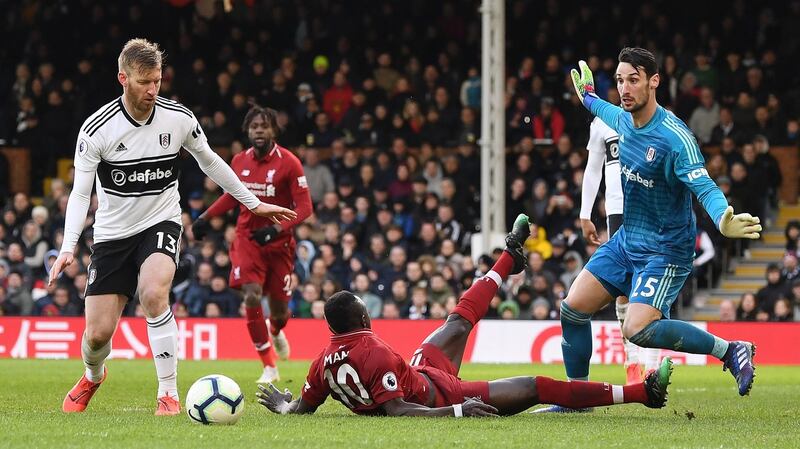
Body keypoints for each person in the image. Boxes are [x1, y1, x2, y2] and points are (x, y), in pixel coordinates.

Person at [50, 39, 297, 416]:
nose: (153, 90)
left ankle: (168, 393)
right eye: (145, 81)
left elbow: (211, 162)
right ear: (123, 79)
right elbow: (80, 194)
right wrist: (69, 246)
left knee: (153, 294)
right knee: (97, 336)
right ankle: (93, 375)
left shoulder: (178, 118)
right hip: (113, 235)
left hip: (160, 221)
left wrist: (253, 203)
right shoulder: (97, 129)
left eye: (158, 81)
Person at [256, 215, 673, 417]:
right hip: (442, 394)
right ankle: (642, 394)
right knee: (535, 385)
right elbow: (398, 412)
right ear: (363, 317)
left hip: (419, 371)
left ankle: (508, 258)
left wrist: (282, 406)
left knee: (457, 321)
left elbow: (302, 410)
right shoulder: (372, 351)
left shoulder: (321, 363)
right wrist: (458, 410)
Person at [550, 48, 761, 409]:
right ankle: (577, 399)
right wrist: (587, 97)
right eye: (619, 81)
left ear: (654, 81)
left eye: (633, 79)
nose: (625, 88)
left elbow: (704, 185)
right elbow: (602, 108)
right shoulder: (623, 121)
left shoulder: (675, 138)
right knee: (571, 309)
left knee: (637, 328)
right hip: (628, 241)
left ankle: (729, 350)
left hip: (665, 251)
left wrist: (723, 217)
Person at [192, 105, 312, 384]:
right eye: (254, 126)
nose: (259, 130)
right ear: (247, 131)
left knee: (280, 312)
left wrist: (276, 229)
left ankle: (277, 330)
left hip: (279, 243)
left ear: (274, 130)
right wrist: (206, 217)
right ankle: (269, 366)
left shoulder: (290, 163)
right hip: (247, 238)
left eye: (264, 125)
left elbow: (305, 207)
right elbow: (232, 196)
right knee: (252, 295)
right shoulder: (238, 161)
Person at [579, 91, 659, 385]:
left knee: (651, 283)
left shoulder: (653, 119)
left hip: (651, 208)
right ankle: (632, 362)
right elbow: (592, 168)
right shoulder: (601, 123)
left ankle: (652, 366)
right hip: (617, 209)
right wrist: (585, 213)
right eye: (620, 82)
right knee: (624, 286)